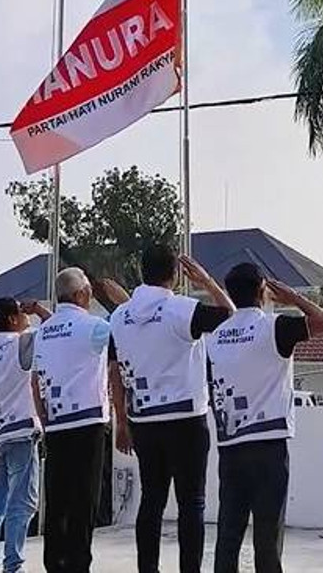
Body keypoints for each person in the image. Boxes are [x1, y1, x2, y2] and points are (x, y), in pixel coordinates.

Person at [109, 245, 233, 573]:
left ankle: (147, 568)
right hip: (186, 419)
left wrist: (121, 420)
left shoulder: (119, 317)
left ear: (141, 271)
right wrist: (206, 280)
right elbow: (229, 313)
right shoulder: (182, 309)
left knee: (151, 500)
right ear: (175, 274)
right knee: (191, 503)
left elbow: (114, 369)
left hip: (144, 420)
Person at [207, 264, 323, 573]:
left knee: (228, 534)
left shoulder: (215, 337)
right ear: (263, 291)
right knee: (267, 537)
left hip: (231, 446)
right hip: (268, 444)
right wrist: (293, 297)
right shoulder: (273, 327)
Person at [31, 268, 111, 573]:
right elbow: (129, 330)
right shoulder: (94, 327)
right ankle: (79, 564)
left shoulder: (43, 332)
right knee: (84, 501)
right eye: (89, 290)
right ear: (80, 294)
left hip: (56, 423)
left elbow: (35, 381)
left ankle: (55, 564)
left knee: (57, 502)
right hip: (88, 423)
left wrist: (44, 420)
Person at [0, 297, 50, 573]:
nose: (26, 317)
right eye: (22, 313)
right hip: (21, 432)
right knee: (22, 502)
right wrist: (41, 310)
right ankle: (13, 563)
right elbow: (57, 327)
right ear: (12, 319)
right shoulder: (21, 343)